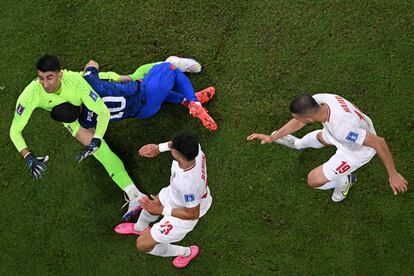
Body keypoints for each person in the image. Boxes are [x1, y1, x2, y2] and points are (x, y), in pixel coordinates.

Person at [247, 94, 408, 202]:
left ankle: (346, 180)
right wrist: (273, 137)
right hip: (339, 132)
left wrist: (393, 175)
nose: (293, 120)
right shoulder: (321, 99)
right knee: (316, 138)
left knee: (313, 180)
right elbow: (352, 106)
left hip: (355, 152)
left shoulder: (343, 129)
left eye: (296, 118)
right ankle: (297, 144)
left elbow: (378, 142)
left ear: (309, 118)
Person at [114, 134, 212, 268]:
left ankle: (186, 252)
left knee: (142, 244)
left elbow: (192, 214)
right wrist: (159, 148)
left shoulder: (188, 185)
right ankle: (139, 228)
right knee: (151, 204)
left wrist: (161, 210)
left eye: (172, 148)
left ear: (180, 156)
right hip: (176, 194)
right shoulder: (195, 149)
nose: (170, 147)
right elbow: (177, 142)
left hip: (184, 215)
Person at [9, 55, 111, 181]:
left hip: (81, 93)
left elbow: (103, 112)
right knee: (99, 150)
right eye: (41, 78)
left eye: (49, 78)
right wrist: (28, 157)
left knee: (98, 74)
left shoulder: (75, 80)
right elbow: (14, 130)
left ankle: (92, 67)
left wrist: (97, 139)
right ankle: (134, 193)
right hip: (67, 114)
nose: (45, 84)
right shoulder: (29, 96)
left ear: (60, 75)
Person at [79, 58, 217, 131]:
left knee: (157, 90)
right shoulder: (90, 84)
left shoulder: (85, 121)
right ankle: (195, 102)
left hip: (143, 112)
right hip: (144, 93)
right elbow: (92, 63)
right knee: (170, 68)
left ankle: (186, 101)